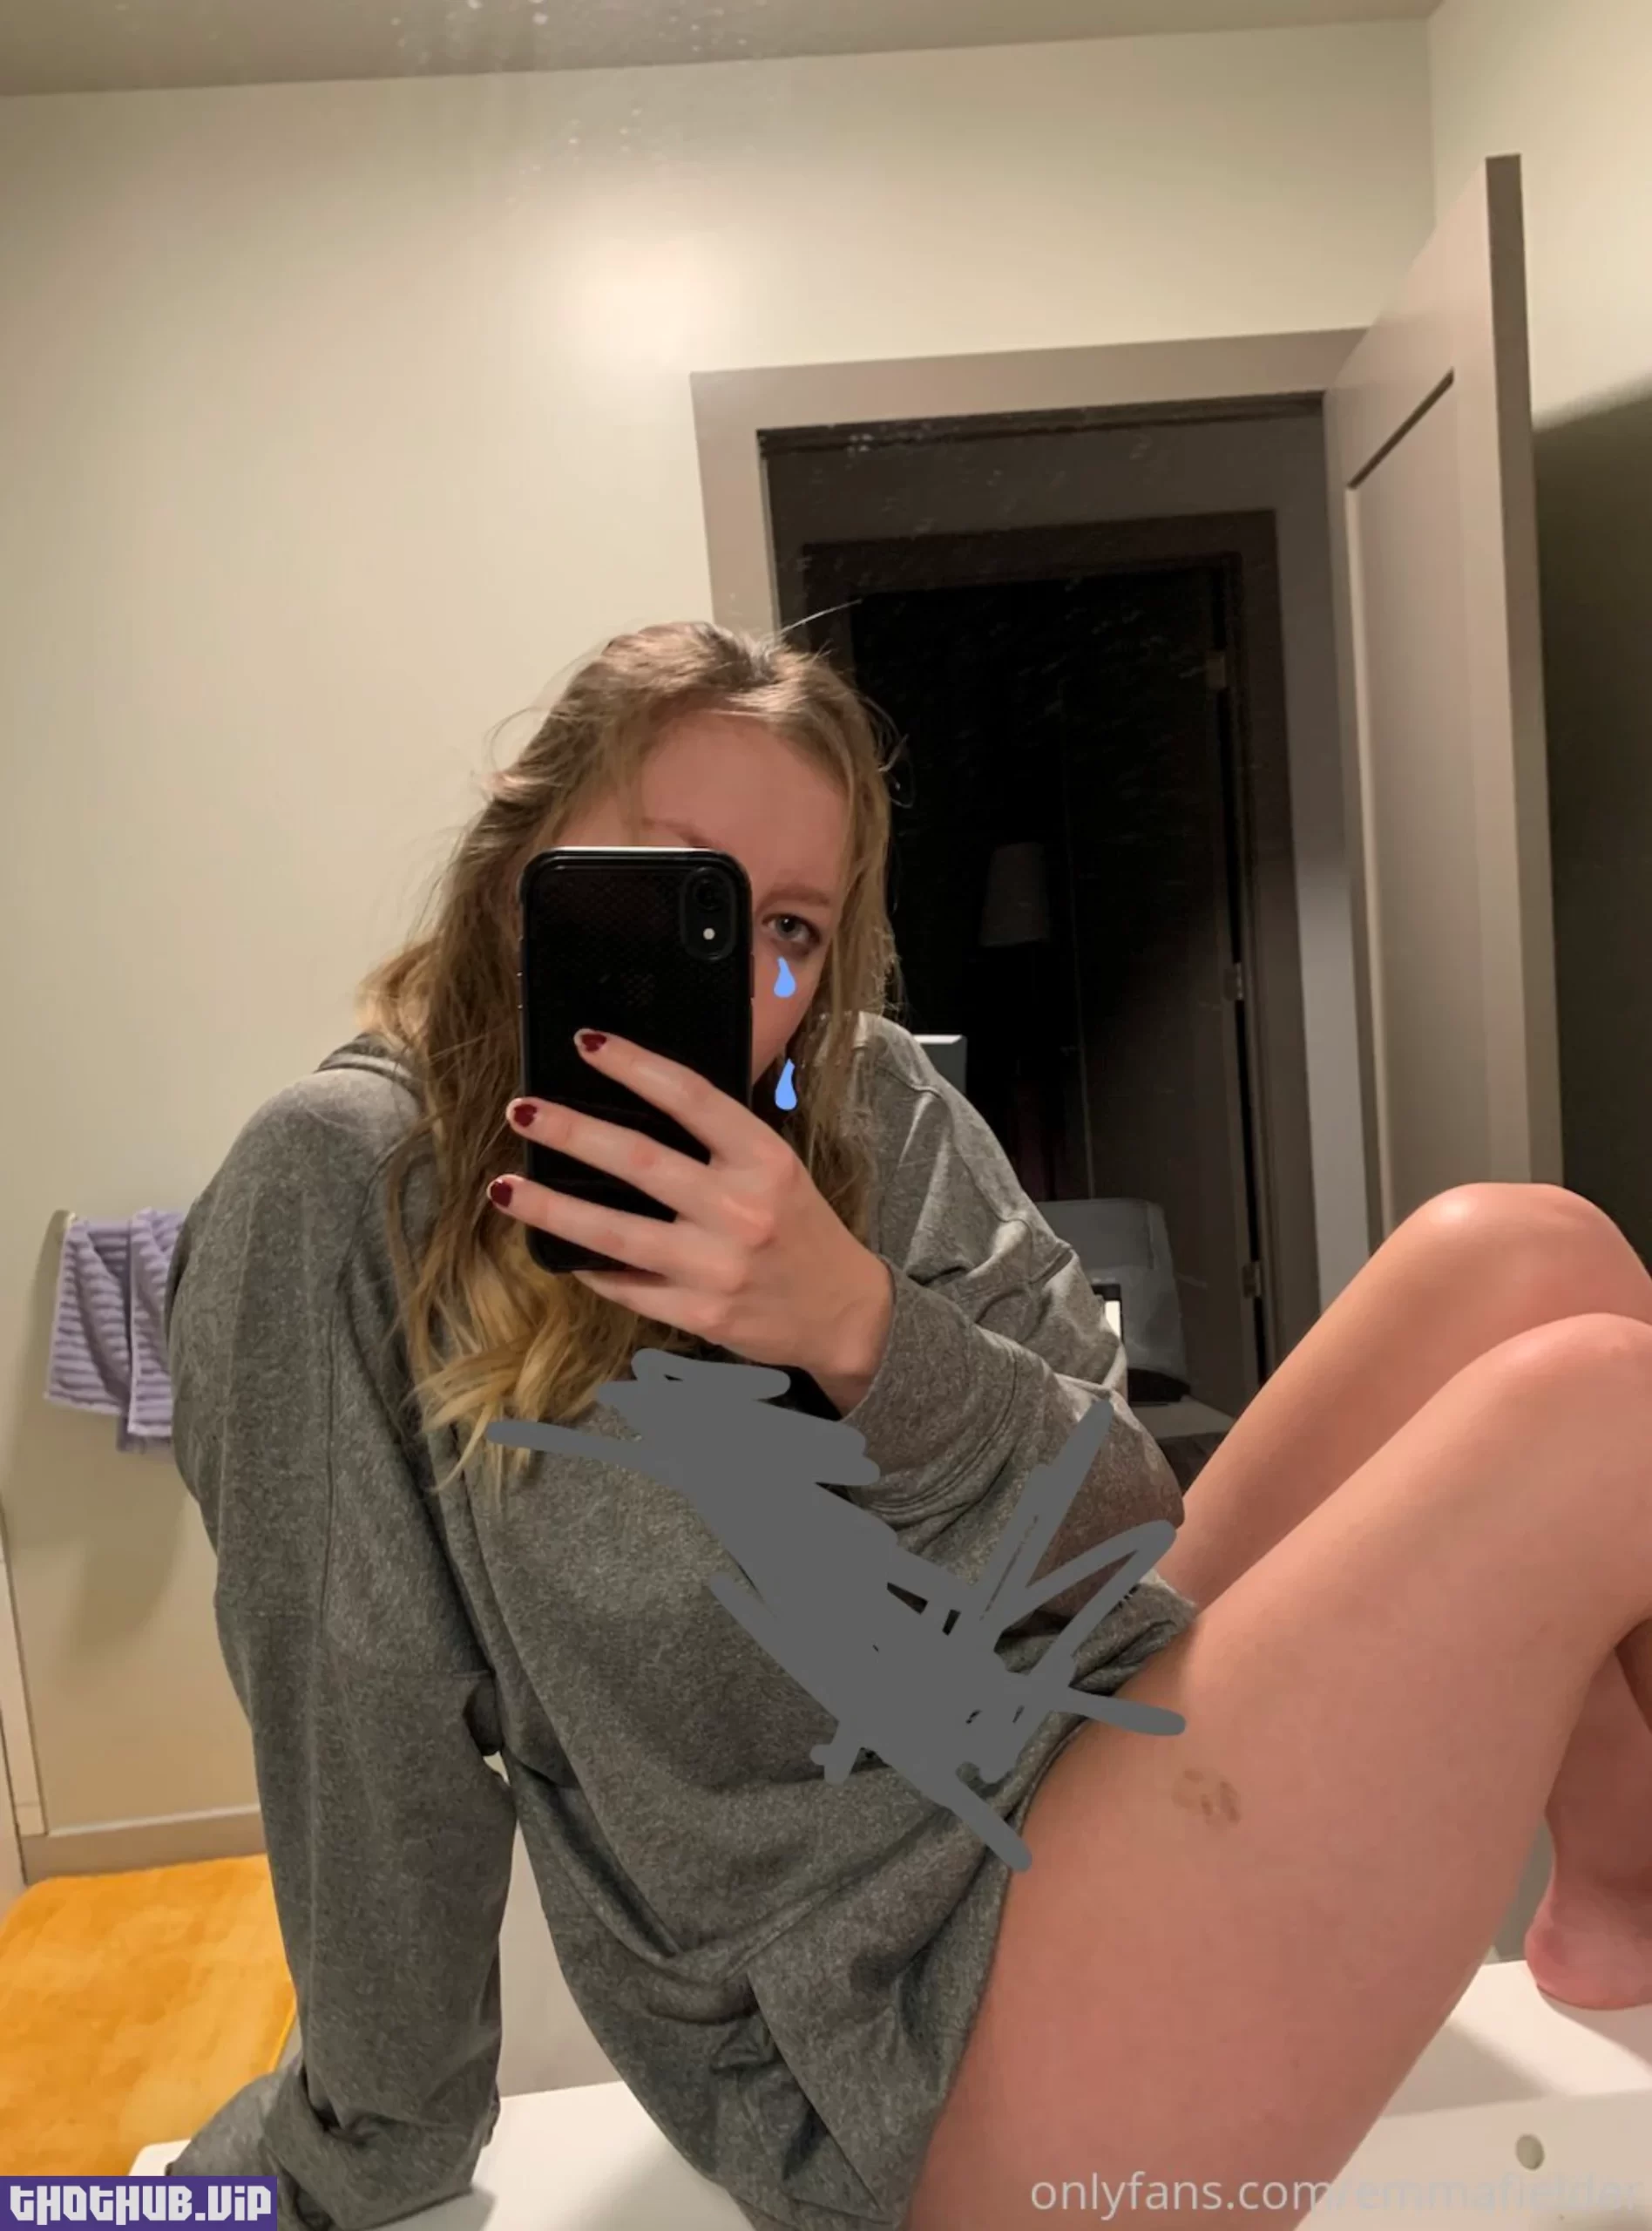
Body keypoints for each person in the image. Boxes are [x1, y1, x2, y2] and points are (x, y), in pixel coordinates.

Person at [164, 621, 1652, 2231]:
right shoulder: (342, 1183)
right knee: (1601, 1417)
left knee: (1524, 1253)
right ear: (523, 861)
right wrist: (364, 2135)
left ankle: (1624, 1888)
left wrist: (860, 1328)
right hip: (894, 2007)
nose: (739, 975)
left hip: (1070, 1721)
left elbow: (1125, 1522)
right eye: (678, 888)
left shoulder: (865, 1100)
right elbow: (359, 1720)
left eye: (788, 927)